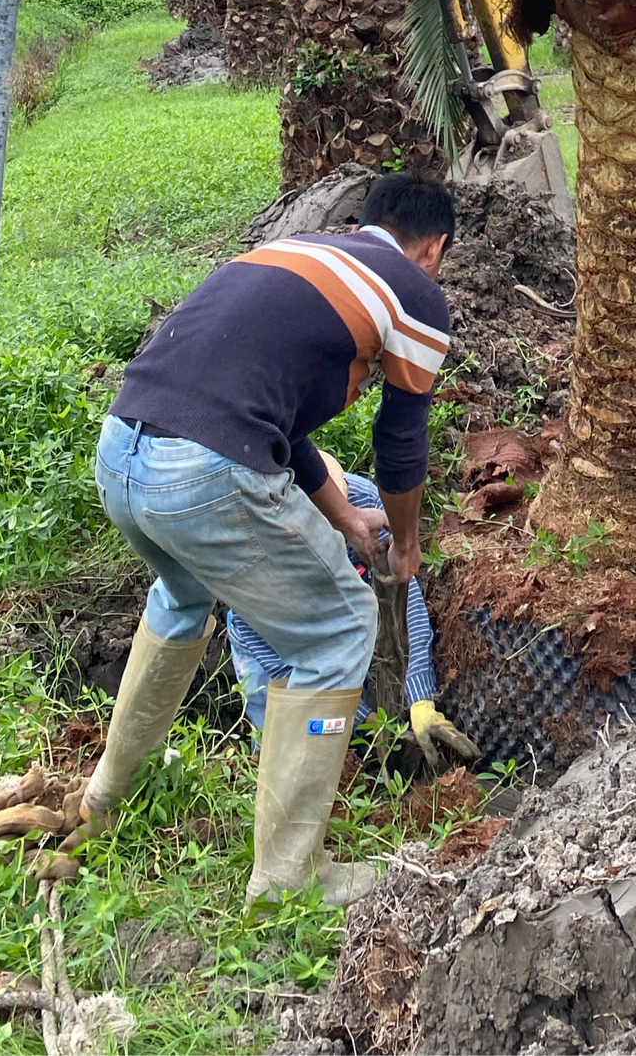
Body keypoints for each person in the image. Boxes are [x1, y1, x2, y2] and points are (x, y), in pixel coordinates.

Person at [83, 173, 455, 904]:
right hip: (204, 474)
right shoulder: (415, 290)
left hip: (122, 453)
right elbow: (401, 440)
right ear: (434, 247)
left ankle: (104, 796)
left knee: (183, 596)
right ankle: (288, 880)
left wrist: (346, 517)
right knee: (339, 625)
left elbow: (275, 420)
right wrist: (404, 542)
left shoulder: (295, 255)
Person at [226, 461, 478, 776]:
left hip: (341, 615)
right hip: (274, 652)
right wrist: (364, 722)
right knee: (289, 750)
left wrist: (420, 697)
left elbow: (405, 596)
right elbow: (291, 669)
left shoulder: (363, 504)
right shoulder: (254, 558)